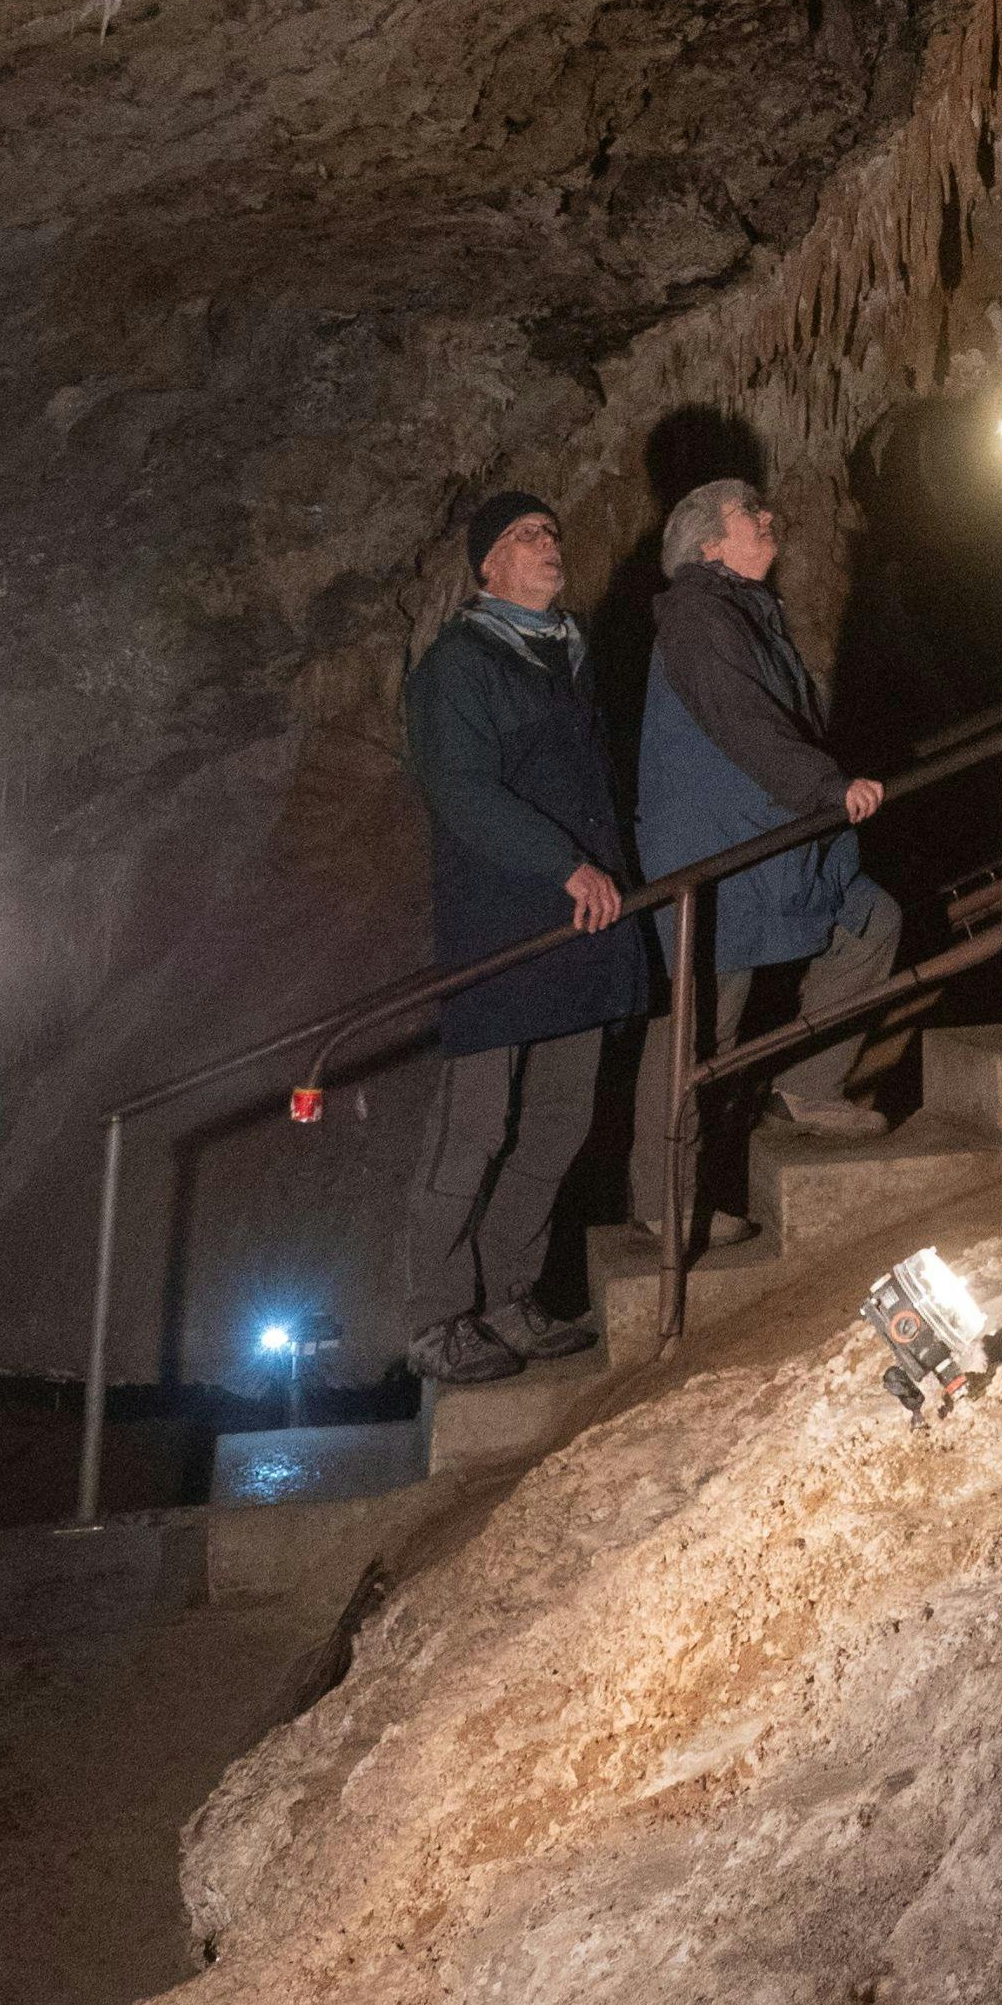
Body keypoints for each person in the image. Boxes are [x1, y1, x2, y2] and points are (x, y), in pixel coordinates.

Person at [397, 493, 646, 1386]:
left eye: (552, 531)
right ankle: (434, 1319)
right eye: (524, 536)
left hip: (578, 926)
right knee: (473, 1130)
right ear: (486, 568)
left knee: (555, 1123)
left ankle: (509, 1294)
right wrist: (563, 862)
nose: (548, 544)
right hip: (503, 926)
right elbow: (461, 791)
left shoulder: (566, 657)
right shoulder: (459, 667)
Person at [631, 467, 901, 1224]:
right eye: (750, 511)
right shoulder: (697, 616)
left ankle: (810, 1087)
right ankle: (665, 1209)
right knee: (698, 1032)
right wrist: (826, 785)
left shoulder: (749, 611)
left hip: (774, 841)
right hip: (719, 856)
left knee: (871, 922)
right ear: (710, 544)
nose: (769, 516)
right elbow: (745, 720)